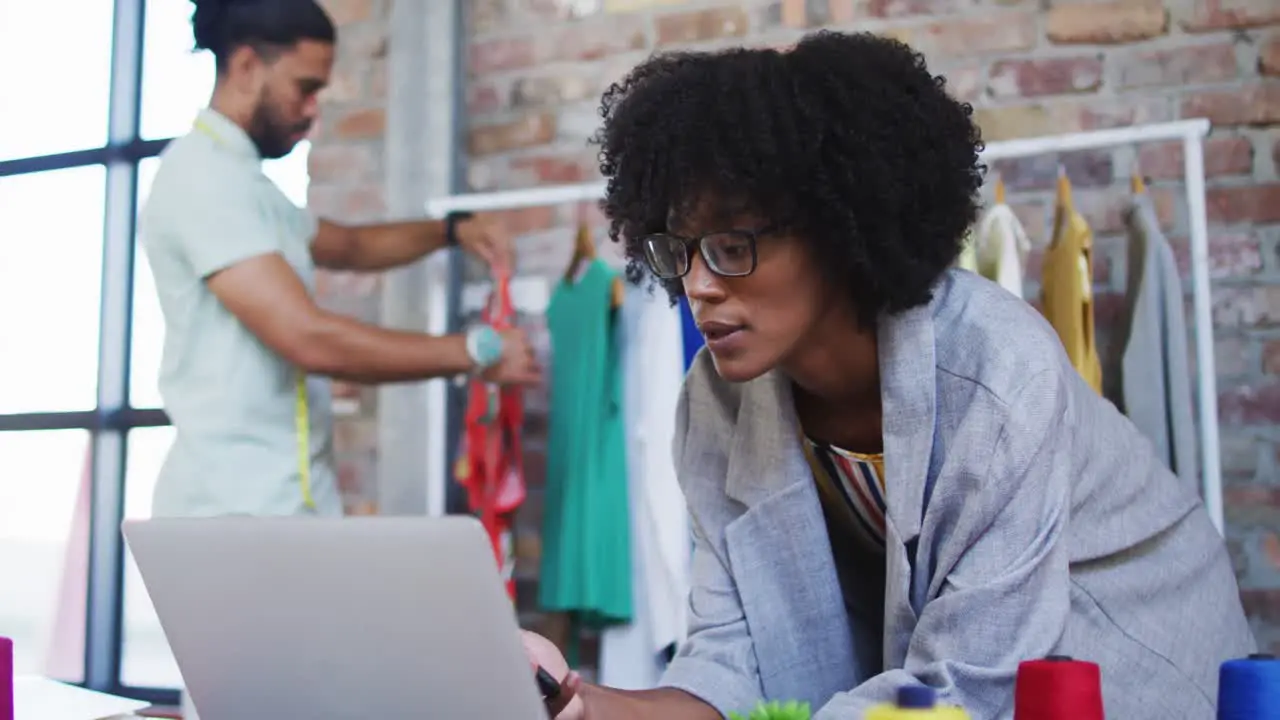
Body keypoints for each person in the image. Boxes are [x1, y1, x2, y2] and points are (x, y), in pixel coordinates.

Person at [525, 31, 1256, 720]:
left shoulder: (996, 371)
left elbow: (972, 685)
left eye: (729, 244)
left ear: (840, 228)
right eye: (680, 249)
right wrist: (575, 699)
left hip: (1132, 650)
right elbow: (730, 670)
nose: (697, 286)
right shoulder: (716, 403)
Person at [139, 0, 540, 521]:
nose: (312, 111)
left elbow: (349, 246)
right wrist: (478, 349)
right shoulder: (202, 180)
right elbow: (307, 337)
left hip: (290, 504)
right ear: (244, 67)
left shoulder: (249, 189)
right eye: (305, 88)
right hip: (228, 514)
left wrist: (450, 231)